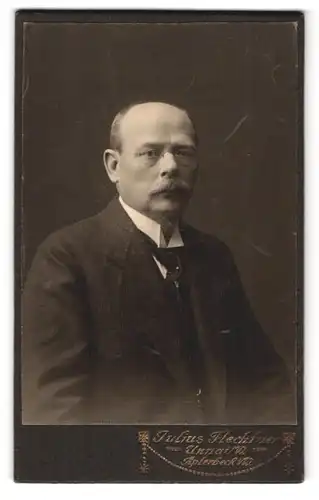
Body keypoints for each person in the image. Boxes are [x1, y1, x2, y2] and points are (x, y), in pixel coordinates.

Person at [22, 101, 294, 425]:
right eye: (150, 153)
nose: (170, 167)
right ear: (113, 166)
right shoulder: (66, 258)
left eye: (183, 152)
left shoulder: (213, 256)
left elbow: (266, 384)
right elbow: (55, 412)